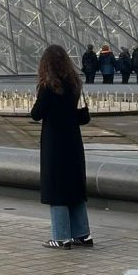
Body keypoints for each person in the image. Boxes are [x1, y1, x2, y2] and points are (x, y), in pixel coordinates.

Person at [31, 45, 92, 248]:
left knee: (56, 187)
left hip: (54, 143)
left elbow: (36, 114)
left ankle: (61, 237)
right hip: (73, 140)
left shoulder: (49, 86)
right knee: (74, 185)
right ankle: (82, 234)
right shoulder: (75, 83)